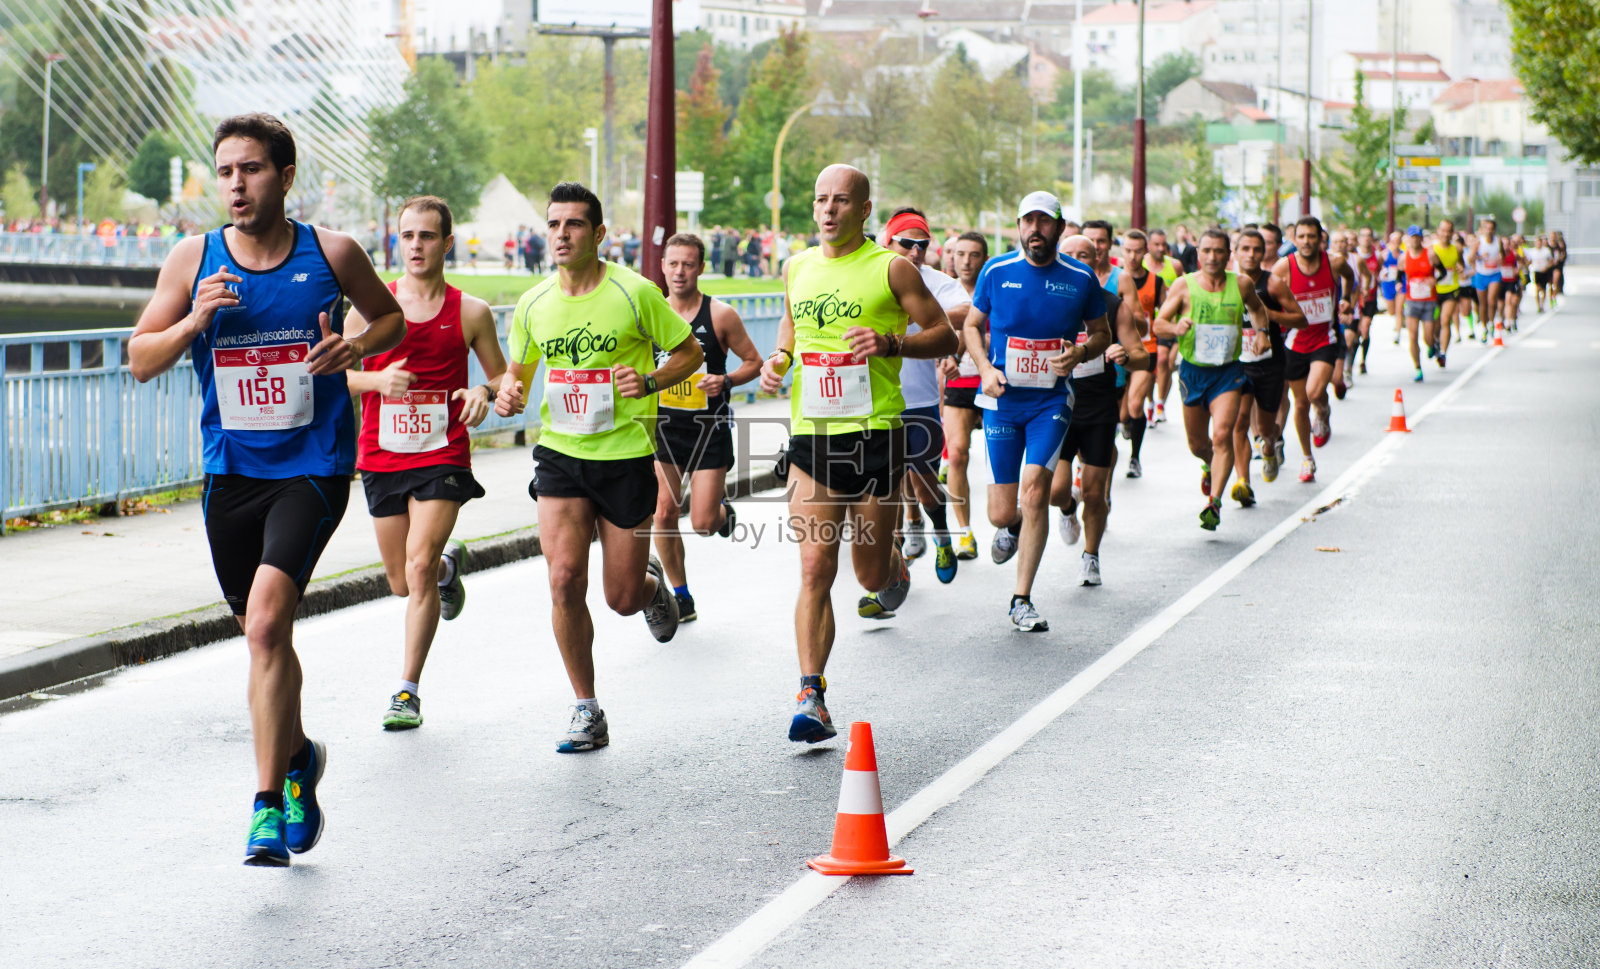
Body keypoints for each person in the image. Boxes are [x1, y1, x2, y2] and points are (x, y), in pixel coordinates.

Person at [128, 114, 406, 865]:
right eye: (225, 171)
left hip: (313, 467)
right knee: (265, 636)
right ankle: (298, 758)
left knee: (264, 625)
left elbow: (390, 319)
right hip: (232, 474)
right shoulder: (194, 258)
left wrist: (355, 344)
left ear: (284, 177)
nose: (235, 184)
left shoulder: (331, 252)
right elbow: (140, 358)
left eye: (250, 169)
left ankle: (264, 809)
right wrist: (194, 319)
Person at [495, 182, 704, 754]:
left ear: (599, 233)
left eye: (574, 224)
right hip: (561, 455)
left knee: (621, 597)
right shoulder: (534, 303)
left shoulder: (635, 293)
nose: (561, 235)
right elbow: (518, 373)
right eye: (553, 224)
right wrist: (508, 394)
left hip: (625, 455)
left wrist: (652, 380)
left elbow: (690, 353)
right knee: (563, 578)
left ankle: (650, 588)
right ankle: (586, 708)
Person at [757, 164, 957, 741]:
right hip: (813, 437)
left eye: (841, 200)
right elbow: (790, 330)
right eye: (821, 199)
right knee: (816, 567)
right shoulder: (797, 267)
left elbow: (943, 334)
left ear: (864, 210)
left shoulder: (891, 268)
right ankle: (811, 695)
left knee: (870, 576)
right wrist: (779, 360)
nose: (828, 209)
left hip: (875, 436)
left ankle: (892, 562)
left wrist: (892, 342)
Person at [346, 196, 506, 731]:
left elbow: (503, 377)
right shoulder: (371, 309)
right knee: (402, 580)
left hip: (442, 453)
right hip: (381, 455)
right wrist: (375, 379)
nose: (416, 245)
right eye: (408, 235)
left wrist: (484, 390)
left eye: (428, 236)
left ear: (447, 243)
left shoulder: (470, 312)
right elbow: (329, 375)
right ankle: (447, 569)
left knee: (416, 569)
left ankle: (407, 692)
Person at [965, 191, 1109, 630]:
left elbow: (1101, 334)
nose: (1035, 229)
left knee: (1034, 494)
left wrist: (1081, 351)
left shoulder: (1080, 277)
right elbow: (972, 324)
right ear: (1018, 226)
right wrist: (985, 368)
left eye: (1044, 222)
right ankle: (1010, 527)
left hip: (1051, 400)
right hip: (1002, 400)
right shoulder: (997, 270)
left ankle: (1021, 599)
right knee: (1000, 512)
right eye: (1028, 221)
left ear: (1059, 228)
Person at [650, 233, 763, 621]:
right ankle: (681, 596)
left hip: (708, 430)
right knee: (663, 512)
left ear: (700, 267)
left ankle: (721, 514)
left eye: (688, 264)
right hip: (664, 429)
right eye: (673, 264)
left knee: (702, 523)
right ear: (663, 266)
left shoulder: (720, 315)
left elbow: (754, 362)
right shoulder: (651, 314)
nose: (679, 272)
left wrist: (726, 380)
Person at [868, 207, 971, 593]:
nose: (914, 251)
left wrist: (918, 314)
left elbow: (967, 310)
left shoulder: (932, 281)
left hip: (920, 401)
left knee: (925, 483)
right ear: (887, 242)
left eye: (922, 245)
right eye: (906, 243)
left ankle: (940, 532)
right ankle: (892, 575)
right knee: (886, 489)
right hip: (875, 403)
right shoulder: (870, 275)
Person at [1154, 229, 1273, 529]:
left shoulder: (1241, 284)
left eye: (1219, 251)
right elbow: (1158, 324)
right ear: (1198, 252)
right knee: (1198, 444)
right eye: (1206, 250)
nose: (1212, 257)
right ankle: (1209, 463)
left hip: (1228, 372)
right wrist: (1175, 328)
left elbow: (1258, 310)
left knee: (1222, 435)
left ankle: (1214, 502)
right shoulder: (1183, 285)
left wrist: (1262, 333)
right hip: (1193, 373)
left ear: (1228, 254)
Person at [1051, 234, 1150, 584]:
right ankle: (1067, 508)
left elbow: (1142, 356)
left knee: (1095, 492)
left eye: (1085, 255)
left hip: (1097, 406)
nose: (1077, 260)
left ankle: (1091, 556)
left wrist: (1125, 355)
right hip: (1054, 404)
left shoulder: (1112, 305)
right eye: (1069, 254)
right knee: (1055, 490)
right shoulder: (1045, 299)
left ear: (1097, 262)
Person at [1271, 216, 1356, 484]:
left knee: (1314, 392)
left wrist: (1346, 299)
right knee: (1300, 403)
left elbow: (1350, 277)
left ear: (1321, 239)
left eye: (1312, 236)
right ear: (1294, 239)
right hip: (1295, 341)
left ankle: (1323, 410)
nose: (1306, 241)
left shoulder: (1334, 262)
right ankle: (1307, 458)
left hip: (1324, 338)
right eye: (1302, 236)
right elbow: (1267, 295)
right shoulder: (1283, 267)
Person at [1229, 227, 1303, 504]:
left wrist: (1267, 314)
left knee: (1265, 427)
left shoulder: (1272, 284)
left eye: (1256, 250)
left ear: (1265, 253)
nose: (1250, 255)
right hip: (1238, 363)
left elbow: (1300, 319)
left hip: (1269, 364)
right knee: (1239, 422)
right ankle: (1243, 482)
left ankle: (1269, 446)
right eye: (1245, 249)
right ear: (1235, 252)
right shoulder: (1226, 283)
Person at [938, 231, 989, 560]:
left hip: (995, 381)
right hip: (959, 382)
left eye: (974, 255)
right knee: (956, 455)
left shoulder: (996, 288)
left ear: (985, 259)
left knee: (1003, 460)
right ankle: (964, 533)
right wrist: (946, 357)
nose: (966, 262)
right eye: (960, 254)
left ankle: (1008, 517)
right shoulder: (945, 292)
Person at [1118, 229, 1162, 479]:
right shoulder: (1114, 278)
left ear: (1145, 251)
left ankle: (1135, 458)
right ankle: (1126, 423)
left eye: (1137, 251)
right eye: (1128, 250)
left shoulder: (1155, 282)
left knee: (1135, 404)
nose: (1132, 256)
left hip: (1146, 348)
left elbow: (1166, 313)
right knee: (1122, 413)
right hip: (1117, 350)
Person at [1399, 225, 1445, 383]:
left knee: (1428, 336)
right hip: (1412, 301)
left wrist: (1435, 280)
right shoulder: (1404, 257)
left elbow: (1443, 272)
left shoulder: (1430, 254)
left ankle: (1433, 345)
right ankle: (1418, 368)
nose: (1415, 240)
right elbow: (1399, 275)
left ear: (1421, 238)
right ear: (1408, 239)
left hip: (1429, 300)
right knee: (1412, 336)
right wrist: (1399, 284)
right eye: (1412, 237)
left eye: (1417, 237)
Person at [1146, 229, 1181, 423]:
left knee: (1166, 361)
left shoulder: (1175, 266)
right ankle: (1151, 402)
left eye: (1163, 244)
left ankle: (1160, 403)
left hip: (1171, 323)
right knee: (1156, 364)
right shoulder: (1142, 264)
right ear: (1149, 245)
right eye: (1156, 244)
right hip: (1149, 325)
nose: (1161, 248)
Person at [1468, 216, 1508, 345]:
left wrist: (1501, 258)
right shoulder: (1479, 242)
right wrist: (1480, 257)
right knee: (1483, 303)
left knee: (1492, 300)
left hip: (1494, 274)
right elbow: (1470, 258)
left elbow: (1503, 255)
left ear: (1494, 230)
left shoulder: (1498, 241)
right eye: (1487, 228)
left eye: (1491, 229)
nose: (1489, 231)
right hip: (1481, 275)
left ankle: (1491, 323)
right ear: (1483, 229)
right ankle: (1484, 327)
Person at [1431, 219, 1463, 359]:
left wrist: (1461, 268)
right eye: (1443, 231)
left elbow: (1461, 263)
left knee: (1445, 320)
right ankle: (1435, 342)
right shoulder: (1431, 249)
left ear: (1452, 232)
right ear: (1438, 231)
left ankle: (1443, 353)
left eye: (1449, 231)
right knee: (1434, 323)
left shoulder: (1457, 249)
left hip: (1451, 289)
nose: (1446, 234)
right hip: (1434, 291)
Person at [1528, 234, 1555, 312]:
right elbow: (1529, 261)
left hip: (1544, 272)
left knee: (1543, 289)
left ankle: (1542, 304)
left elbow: (1551, 261)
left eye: (1539, 242)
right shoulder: (1532, 251)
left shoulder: (1546, 251)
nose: (1538, 244)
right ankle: (1538, 305)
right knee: (1537, 289)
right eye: (1536, 242)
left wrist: (1546, 267)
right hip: (1536, 271)